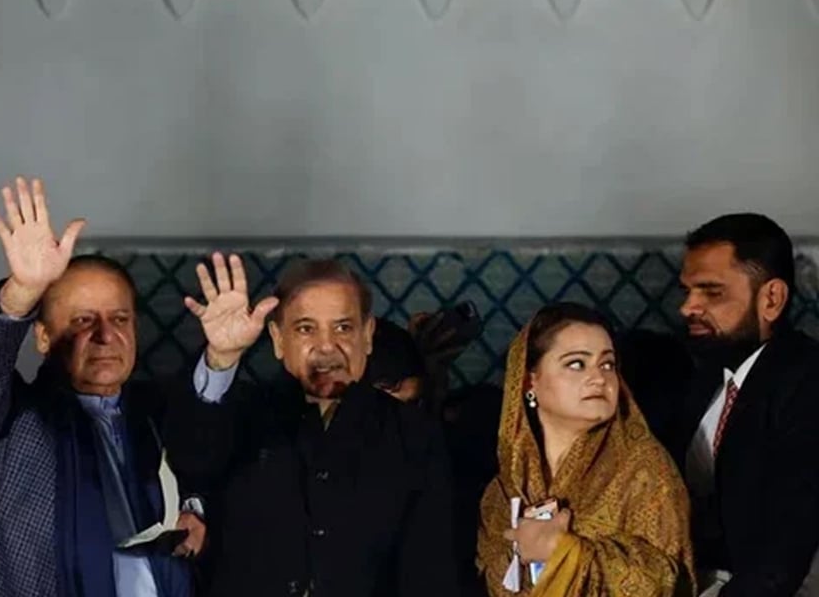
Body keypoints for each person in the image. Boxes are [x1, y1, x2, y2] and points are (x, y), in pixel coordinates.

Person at [0, 177, 210, 597]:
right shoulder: (13, 427)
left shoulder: (154, 415)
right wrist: (23, 291)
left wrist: (194, 504)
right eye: (84, 320)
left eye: (119, 319)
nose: (106, 336)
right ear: (44, 337)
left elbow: (212, 457)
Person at [183, 255, 458, 596]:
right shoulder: (240, 416)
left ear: (368, 335)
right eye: (305, 329)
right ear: (278, 339)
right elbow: (192, 461)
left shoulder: (415, 436)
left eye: (343, 327)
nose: (327, 346)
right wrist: (221, 358)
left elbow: (431, 574)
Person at [476, 302, 693, 596]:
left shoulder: (643, 467)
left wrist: (567, 552)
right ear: (530, 381)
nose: (598, 377)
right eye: (576, 363)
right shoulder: (503, 490)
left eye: (607, 364)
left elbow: (666, 581)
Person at [671, 213, 819, 596]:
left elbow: (783, 555)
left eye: (711, 292)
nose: (688, 307)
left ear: (771, 299)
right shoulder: (705, 372)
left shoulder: (806, 385)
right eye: (687, 291)